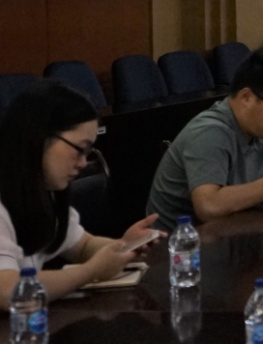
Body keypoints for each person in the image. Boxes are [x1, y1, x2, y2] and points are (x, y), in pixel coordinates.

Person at [0, 81, 164, 306]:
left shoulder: (41, 193)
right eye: (79, 149)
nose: (83, 163)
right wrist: (89, 272)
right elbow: (8, 290)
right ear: (39, 137)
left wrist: (124, 246)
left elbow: (83, 246)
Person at [148, 46, 263, 230]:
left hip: (226, 234)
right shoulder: (210, 132)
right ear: (247, 97)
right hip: (179, 244)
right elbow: (208, 206)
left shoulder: (256, 131)